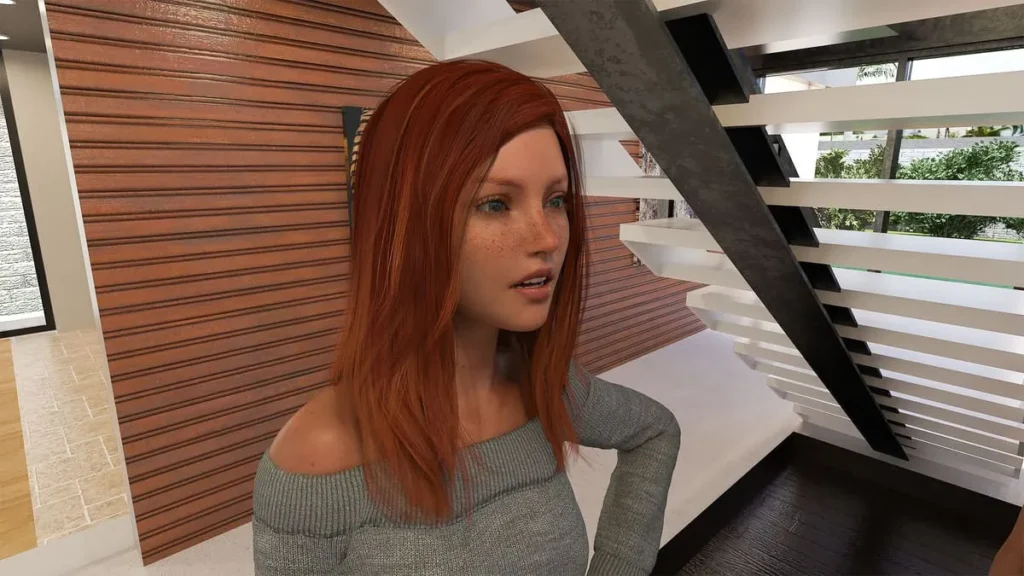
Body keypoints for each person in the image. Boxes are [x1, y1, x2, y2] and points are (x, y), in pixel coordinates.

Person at [251, 59, 681, 576]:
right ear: (408, 224)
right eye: (495, 204)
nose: (548, 238)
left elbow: (654, 432)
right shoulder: (319, 453)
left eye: (556, 200)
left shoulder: (548, 388)